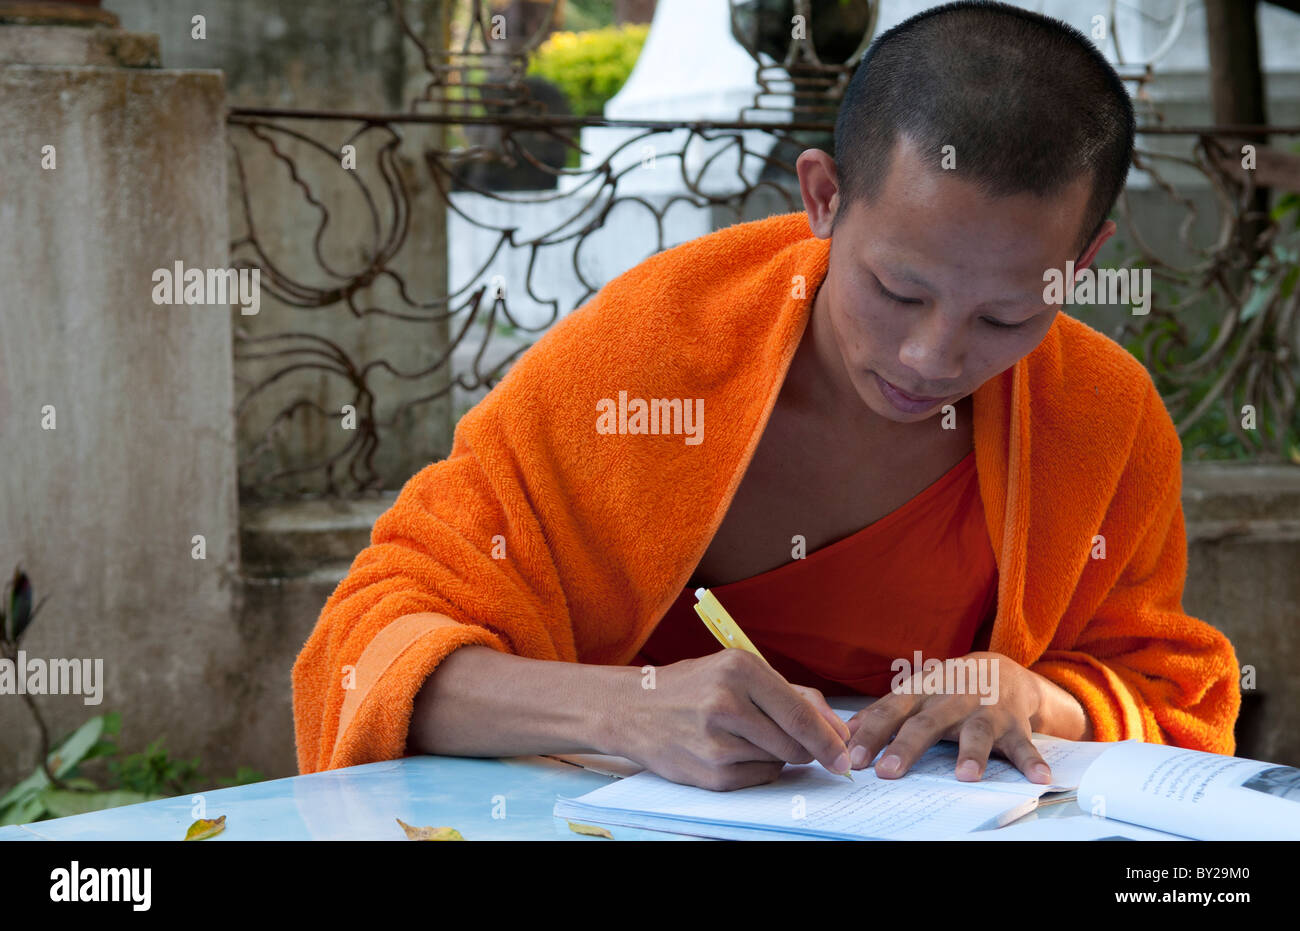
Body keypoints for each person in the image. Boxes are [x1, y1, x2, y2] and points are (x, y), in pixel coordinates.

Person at [292, 0, 1240, 791]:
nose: (930, 355)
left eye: (1005, 318)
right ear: (824, 197)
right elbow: (365, 643)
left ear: (1083, 266)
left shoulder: (1100, 417)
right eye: (898, 291)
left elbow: (1170, 688)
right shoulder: (652, 350)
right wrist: (629, 709)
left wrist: (1035, 698)